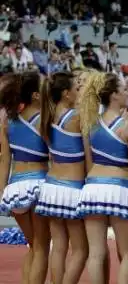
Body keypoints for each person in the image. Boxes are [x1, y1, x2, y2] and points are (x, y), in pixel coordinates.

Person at [77, 72, 128, 284]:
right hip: (120, 188)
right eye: (124, 90)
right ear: (113, 95)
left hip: (93, 187)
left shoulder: (90, 123)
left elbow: (89, 162)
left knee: (96, 253)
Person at [36, 71, 88, 284]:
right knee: (81, 250)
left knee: (58, 247)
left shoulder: (45, 116)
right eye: (77, 88)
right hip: (71, 189)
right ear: (66, 93)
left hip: (51, 187)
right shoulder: (76, 117)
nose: (79, 92)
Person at [0, 71, 50, 284]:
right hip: (39, 184)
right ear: (35, 95)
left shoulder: (7, 123)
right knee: (41, 247)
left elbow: (4, 160)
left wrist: (2, 190)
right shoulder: (45, 121)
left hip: (15, 188)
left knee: (32, 245)